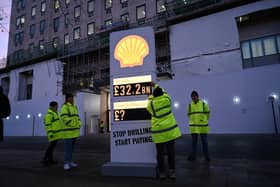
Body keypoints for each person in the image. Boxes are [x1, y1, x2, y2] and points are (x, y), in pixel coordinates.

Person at [147, 83, 182, 180]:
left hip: (159, 134)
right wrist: (156, 85)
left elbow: (148, 106)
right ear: (162, 94)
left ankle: (162, 172)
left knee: (160, 154)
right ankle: (172, 172)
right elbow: (165, 92)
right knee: (171, 152)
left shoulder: (152, 104)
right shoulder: (167, 99)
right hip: (170, 132)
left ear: (154, 96)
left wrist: (150, 96)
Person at [187, 90, 211, 162]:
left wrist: (203, 121)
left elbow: (208, 114)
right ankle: (193, 156)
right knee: (194, 143)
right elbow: (189, 115)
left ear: (198, 96)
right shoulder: (190, 105)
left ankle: (207, 156)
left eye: (194, 97)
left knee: (204, 142)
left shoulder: (204, 104)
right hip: (194, 128)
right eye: (192, 97)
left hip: (202, 127)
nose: (193, 98)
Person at [60, 93, 81, 170]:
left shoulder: (75, 107)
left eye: (73, 98)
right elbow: (64, 118)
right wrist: (74, 124)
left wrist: (79, 124)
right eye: (71, 98)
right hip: (68, 132)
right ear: (67, 98)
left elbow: (77, 117)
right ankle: (66, 163)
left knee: (71, 149)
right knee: (67, 149)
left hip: (74, 132)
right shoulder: (65, 107)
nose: (72, 99)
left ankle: (70, 161)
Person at [41, 101, 62, 166]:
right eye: (56, 106)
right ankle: (45, 159)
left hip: (56, 134)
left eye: (57, 106)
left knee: (52, 147)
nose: (57, 107)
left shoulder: (56, 113)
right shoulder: (49, 115)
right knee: (51, 147)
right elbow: (48, 125)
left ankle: (49, 159)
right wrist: (50, 134)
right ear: (52, 106)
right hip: (53, 134)